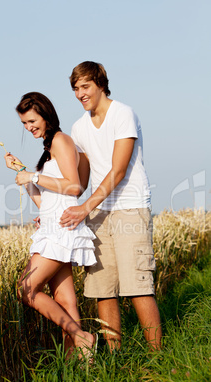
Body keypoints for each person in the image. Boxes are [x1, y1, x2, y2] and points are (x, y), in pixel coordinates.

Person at [60, 61, 162, 350]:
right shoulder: (78, 128)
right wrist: (58, 210)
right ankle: (115, 360)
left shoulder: (123, 114)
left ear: (101, 84)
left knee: (138, 287)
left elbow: (117, 171)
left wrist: (85, 207)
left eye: (85, 86)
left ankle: (158, 358)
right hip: (98, 212)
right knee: (103, 290)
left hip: (130, 208)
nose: (80, 93)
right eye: (75, 89)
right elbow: (78, 182)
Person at [4, 92, 97, 358]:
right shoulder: (49, 148)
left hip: (60, 230)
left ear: (46, 115)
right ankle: (78, 363)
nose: (29, 127)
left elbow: (74, 186)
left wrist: (33, 175)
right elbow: (45, 203)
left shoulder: (60, 140)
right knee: (65, 299)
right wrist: (22, 174)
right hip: (53, 225)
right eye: (24, 123)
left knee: (26, 289)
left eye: (32, 120)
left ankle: (81, 337)